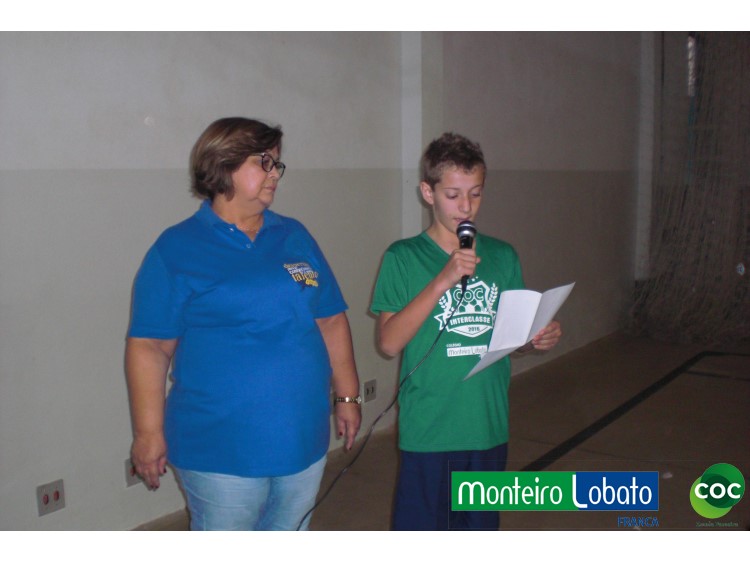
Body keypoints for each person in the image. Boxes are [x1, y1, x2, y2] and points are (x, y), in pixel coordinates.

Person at [125, 117, 361, 531]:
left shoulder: (294, 236)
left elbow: (330, 319)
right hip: (219, 448)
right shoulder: (176, 248)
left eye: (277, 164)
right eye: (263, 162)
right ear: (223, 166)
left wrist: (348, 395)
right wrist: (148, 432)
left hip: (302, 438)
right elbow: (150, 347)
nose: (276, 174)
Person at [370, 132, 562, 531]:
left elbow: (510, 339)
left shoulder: (503, 256)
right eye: (453, 195)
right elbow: (388, 343)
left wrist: (533, 340)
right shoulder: (402, 257)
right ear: (428, 192)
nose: (466, 206)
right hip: (430, 429)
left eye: (475, 194)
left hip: (486, 424)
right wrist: (443, 280)